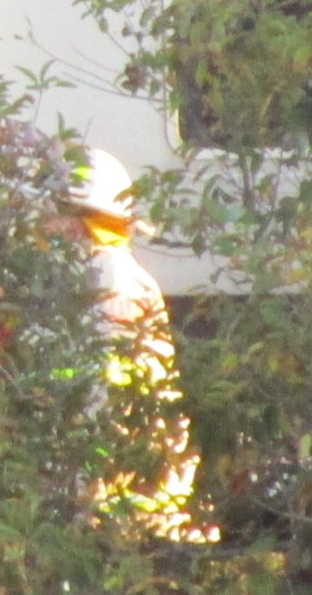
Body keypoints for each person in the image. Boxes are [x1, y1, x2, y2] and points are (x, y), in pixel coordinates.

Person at [50, 146, 206, 544]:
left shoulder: (108, 277)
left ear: (75, 220)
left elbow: (105, 389)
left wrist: (84, 480)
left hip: (111, 486)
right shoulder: (106, 274)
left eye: (53, 212)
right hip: (124, 479)